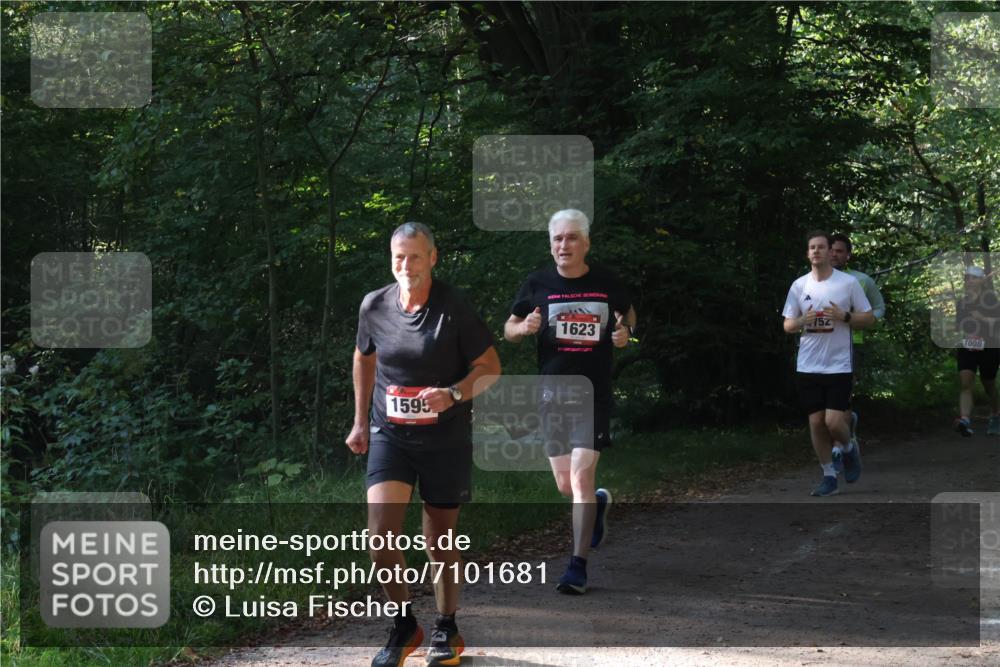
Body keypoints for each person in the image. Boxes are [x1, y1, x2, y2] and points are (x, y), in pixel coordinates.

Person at [346, 222, 501, 667]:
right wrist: (360, 421)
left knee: (438, 538)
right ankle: (403, 624)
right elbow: (363, 357)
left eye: (414, 256)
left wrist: (452, 393)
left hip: (445, 438)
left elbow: (490, 366)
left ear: (433, 258)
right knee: (379, 535)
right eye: (398, 257)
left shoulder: (454, 308)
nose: (405, 265)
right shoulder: (375, 305)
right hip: (389, 433)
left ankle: (447, 625)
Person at [504, 209, 635, 594]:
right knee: (566, 484)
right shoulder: (537, 283)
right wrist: (522, 327)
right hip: (551, 393)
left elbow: (627, 314)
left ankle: (577, 566)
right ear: (551, 244)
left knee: (579, 476)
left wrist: (625, 332)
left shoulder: (605, 281)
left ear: (586, 242)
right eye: (558, 239)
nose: (565, 245)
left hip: (592, 391)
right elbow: (509, 329)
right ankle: (596, 505)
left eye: (572, 238)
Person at [782, 230, 874, 496]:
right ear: (807, 253)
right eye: (812, 248)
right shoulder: (799, 285)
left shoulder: (847, 284)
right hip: (808, 365)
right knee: (815, 423)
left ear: (828, 251)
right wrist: (802, 321)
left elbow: (867, 318)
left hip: (839, 364)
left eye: (821, 247)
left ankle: (848, 448)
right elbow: (788, 324)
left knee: (834, 422)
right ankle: (829, 476)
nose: (817, 251)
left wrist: (844, 316)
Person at [829, 233, 886, 452]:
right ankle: (846, 425)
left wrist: (865, 319)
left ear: (848, 256)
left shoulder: (860, 280)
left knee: (843, 393)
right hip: (820, 346)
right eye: (831, 250)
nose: (834, 254)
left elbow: (879, 307)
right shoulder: (812, 280)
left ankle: (839, 445)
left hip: (852, 343)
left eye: (840, 251)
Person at [953, 265, 1000, 437]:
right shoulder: (962, 302)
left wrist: (982, 318)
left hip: (989, 346)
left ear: (981, 280)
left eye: (973, 277)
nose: (970, 281)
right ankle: (965, 419)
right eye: (967, 278)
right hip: (968, 345)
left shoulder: (991, 300)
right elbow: (959, 325)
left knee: (989, 385)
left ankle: (996, 414)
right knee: (965, 383)